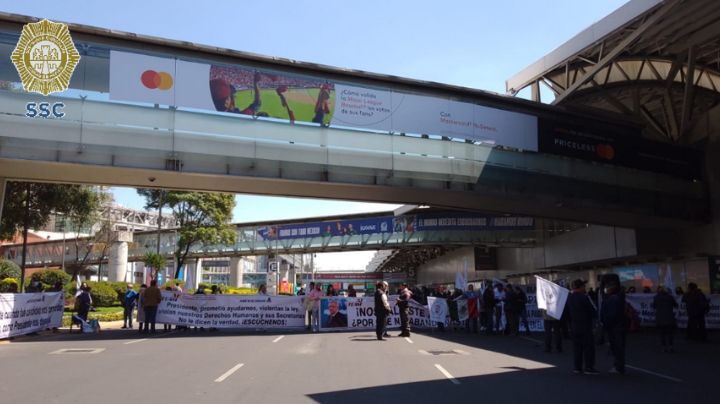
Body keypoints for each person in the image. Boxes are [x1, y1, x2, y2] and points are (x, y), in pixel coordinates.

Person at [567, 279, 599, 375]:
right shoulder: (585, 297)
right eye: (583, 286)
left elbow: (567, 313)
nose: (584, 287)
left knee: (577, 347)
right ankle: (589, 367)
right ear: (580, 287)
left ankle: (577, 367)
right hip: (585, 326)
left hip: (574, 326)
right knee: (588, 347)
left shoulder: (570, 298)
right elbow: (593, 311)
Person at [601, 279, 626, 374]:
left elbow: (612, 314)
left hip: (615, 327)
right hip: (617, 326)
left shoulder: (613, 299)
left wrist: (606, 324)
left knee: (617, 347)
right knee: (617, 347)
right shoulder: (617, 298)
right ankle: (619, 366)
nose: (605, 290)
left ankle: (619, 367)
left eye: (607, 288)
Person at [653, 286, 678, 352]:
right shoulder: (670, 297)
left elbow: (654, 306)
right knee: (670, 333)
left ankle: (663, 347)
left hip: (660, 318)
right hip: (669, 317)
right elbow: (675, 305)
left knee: (662, 334)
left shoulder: (657, 298)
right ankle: (671, 346)